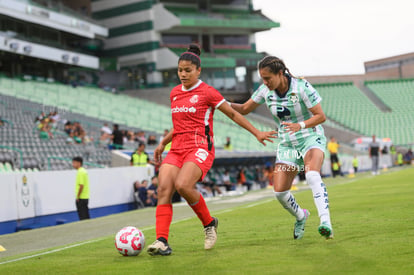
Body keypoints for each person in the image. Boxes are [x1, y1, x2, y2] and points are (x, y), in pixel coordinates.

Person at [146, 44, 276, 256]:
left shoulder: (207, 92)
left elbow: (233, 114)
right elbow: (179, 125)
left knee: (183, 185)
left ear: (198, 70)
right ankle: (162, 241)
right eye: (180, 70)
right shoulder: (175, 93)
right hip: (177, 148)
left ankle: (209, 224)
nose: (183, 74)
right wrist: (163, 143)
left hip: (200, 147)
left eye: (188, 70)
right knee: (163, 190)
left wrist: (257, 132)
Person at [230, 56, 334, 240]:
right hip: (287, 143)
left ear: (280, 74)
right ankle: (301, 216)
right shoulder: (264, 90)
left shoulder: (301, 86)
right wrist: (220, 103)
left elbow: (320, 116)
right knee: (279, 192)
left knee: (311, 174)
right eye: (262, 78)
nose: (265, 82)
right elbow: (245, 108)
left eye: (268, 78)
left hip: (310, 136)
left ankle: (325, 222)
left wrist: (300, 125)